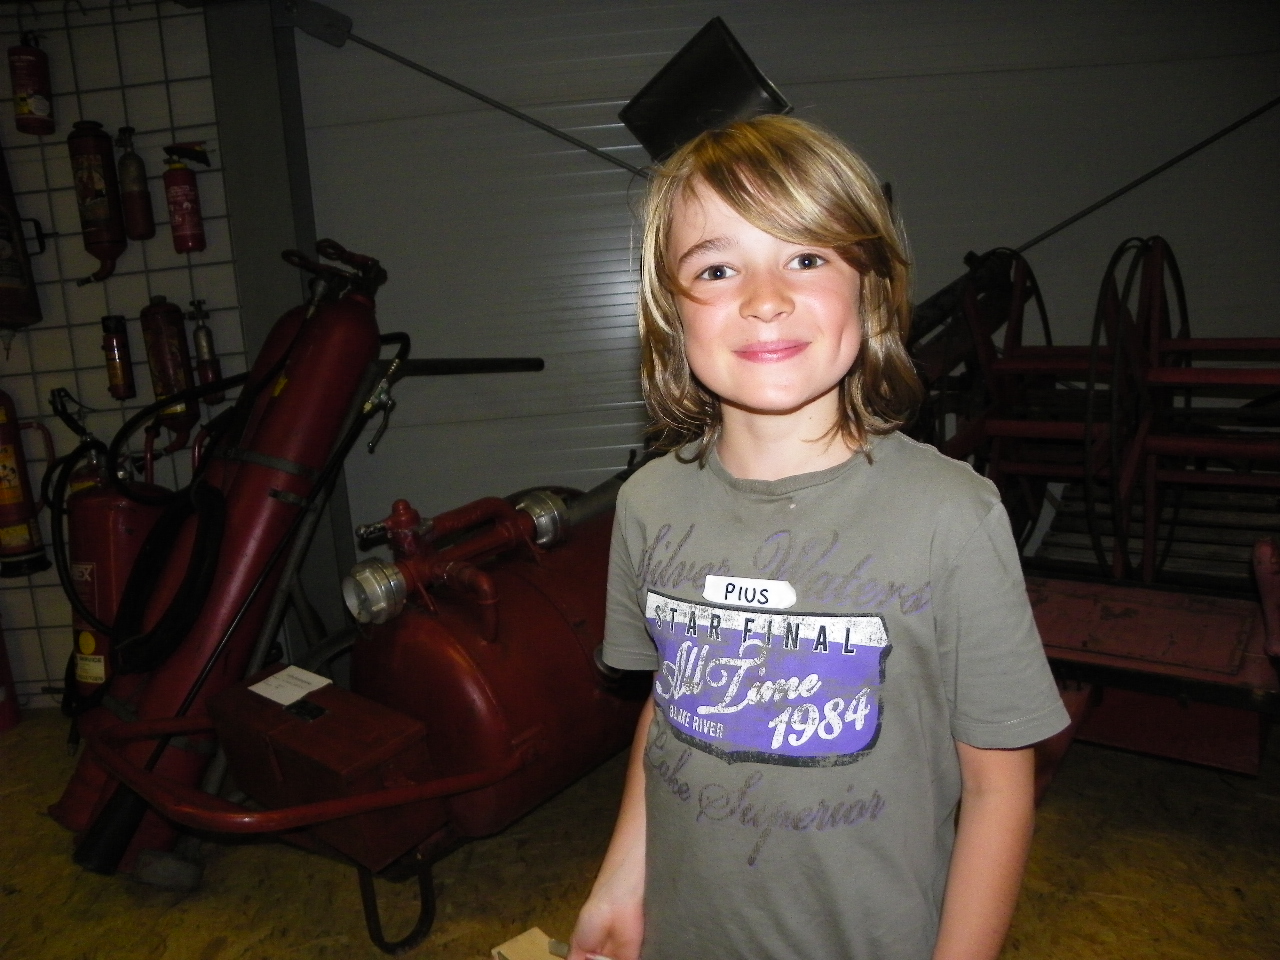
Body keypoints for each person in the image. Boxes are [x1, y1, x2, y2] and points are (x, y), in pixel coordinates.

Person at [568, 115, 1069, 960]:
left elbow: (998, 788)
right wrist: (621, 880)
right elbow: (674, 703)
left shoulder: (951, 517)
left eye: (805, 257)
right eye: (717, 268)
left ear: (867, 288)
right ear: (669, 311)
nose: (765, 298)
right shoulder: (648, 503)